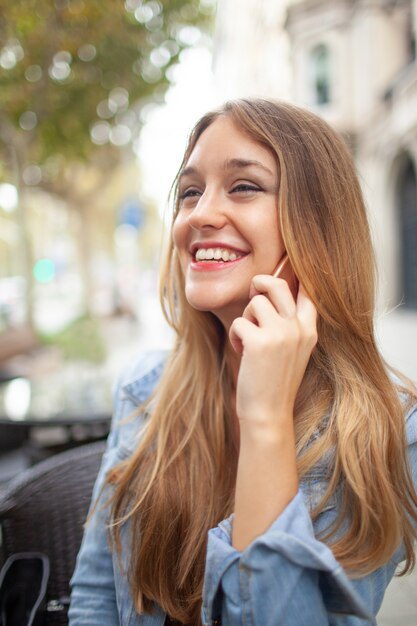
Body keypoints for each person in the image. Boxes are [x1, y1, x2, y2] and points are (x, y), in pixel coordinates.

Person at [69, 98, 417, 626]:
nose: (201, 214)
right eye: (190, 192)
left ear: (317, 226)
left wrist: (265, 420)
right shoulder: (144, 389)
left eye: (245, 186)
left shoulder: (390, 431)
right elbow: (94, 600)